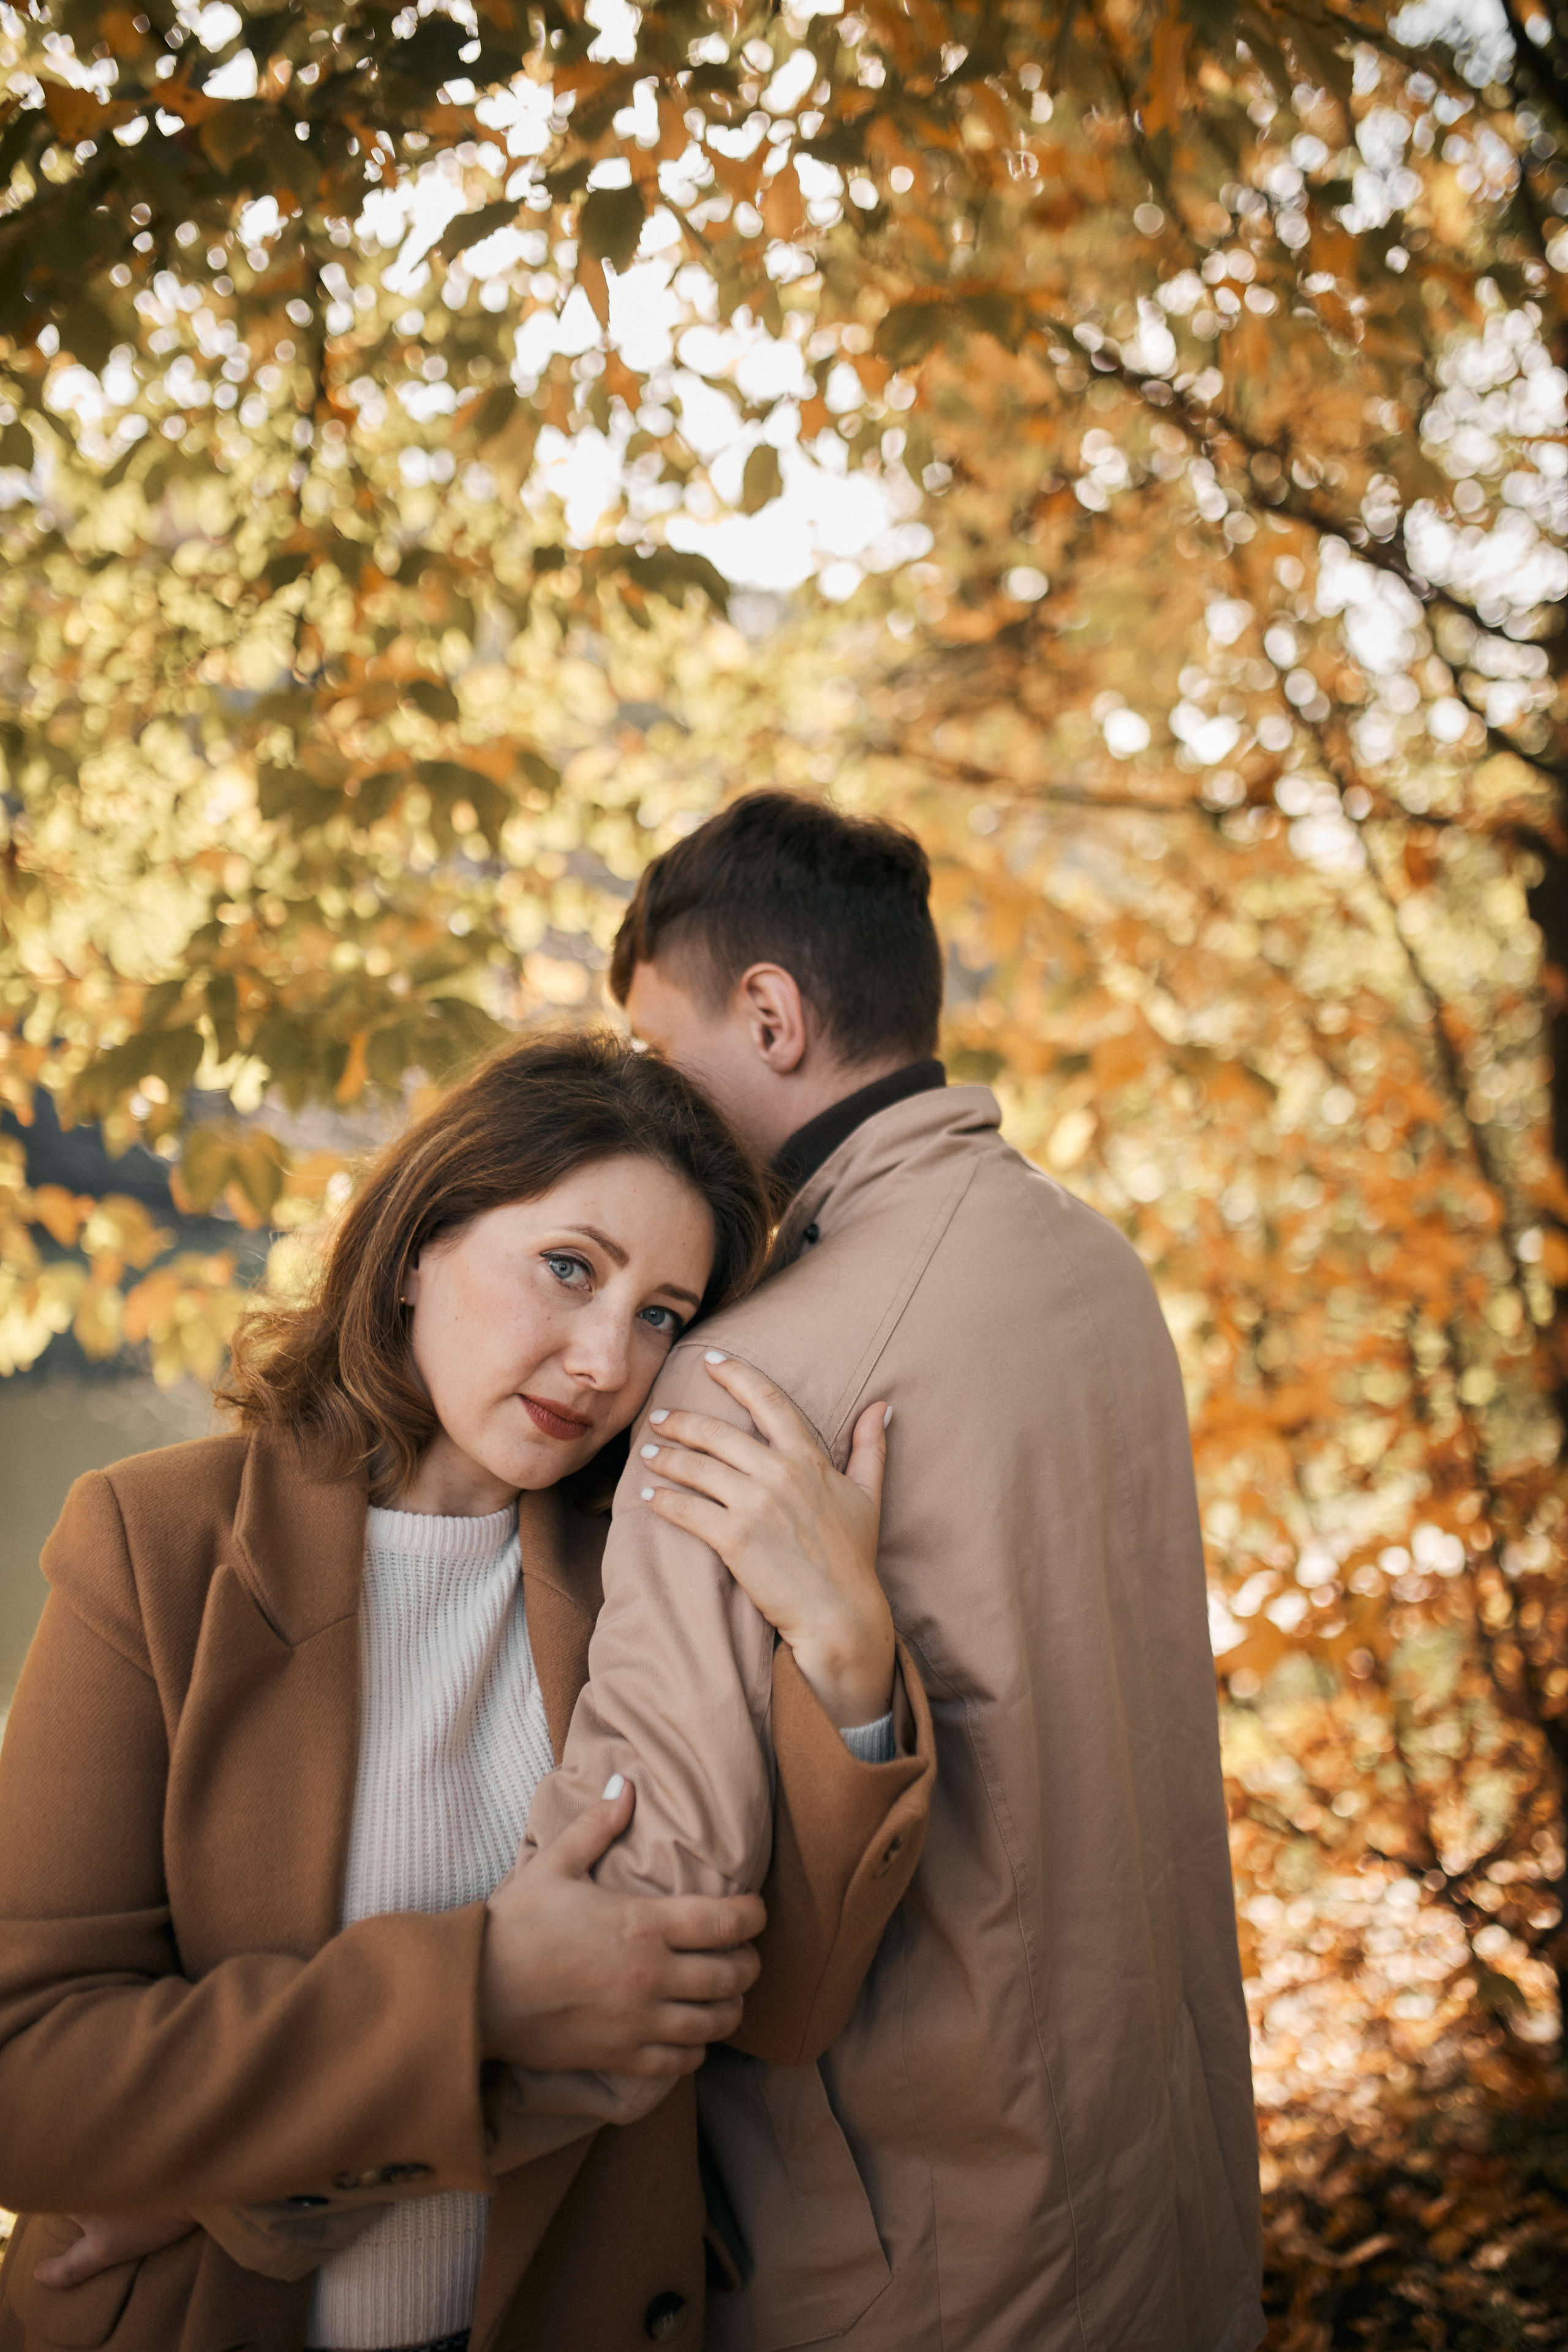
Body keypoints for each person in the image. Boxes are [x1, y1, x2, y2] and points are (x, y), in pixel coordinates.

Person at [0, 1030, 935, 2352]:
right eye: (569, 1269)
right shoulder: (154, 1547)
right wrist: (474, 1991)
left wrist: (846, 1650)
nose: (608, 1361)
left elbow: (767, 2008)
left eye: (660, 1313)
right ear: (419, 1247)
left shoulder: (647, 1577)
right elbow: (27, 2076)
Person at [517, 793, 1265, 2351]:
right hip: (1157, 2199)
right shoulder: (1093, 1268)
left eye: (663, 1054)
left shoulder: (734, 1382)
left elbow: (632, 1939)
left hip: (915, 2255)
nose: (650, 1102)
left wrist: (234, 2156)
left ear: (771, 1017)